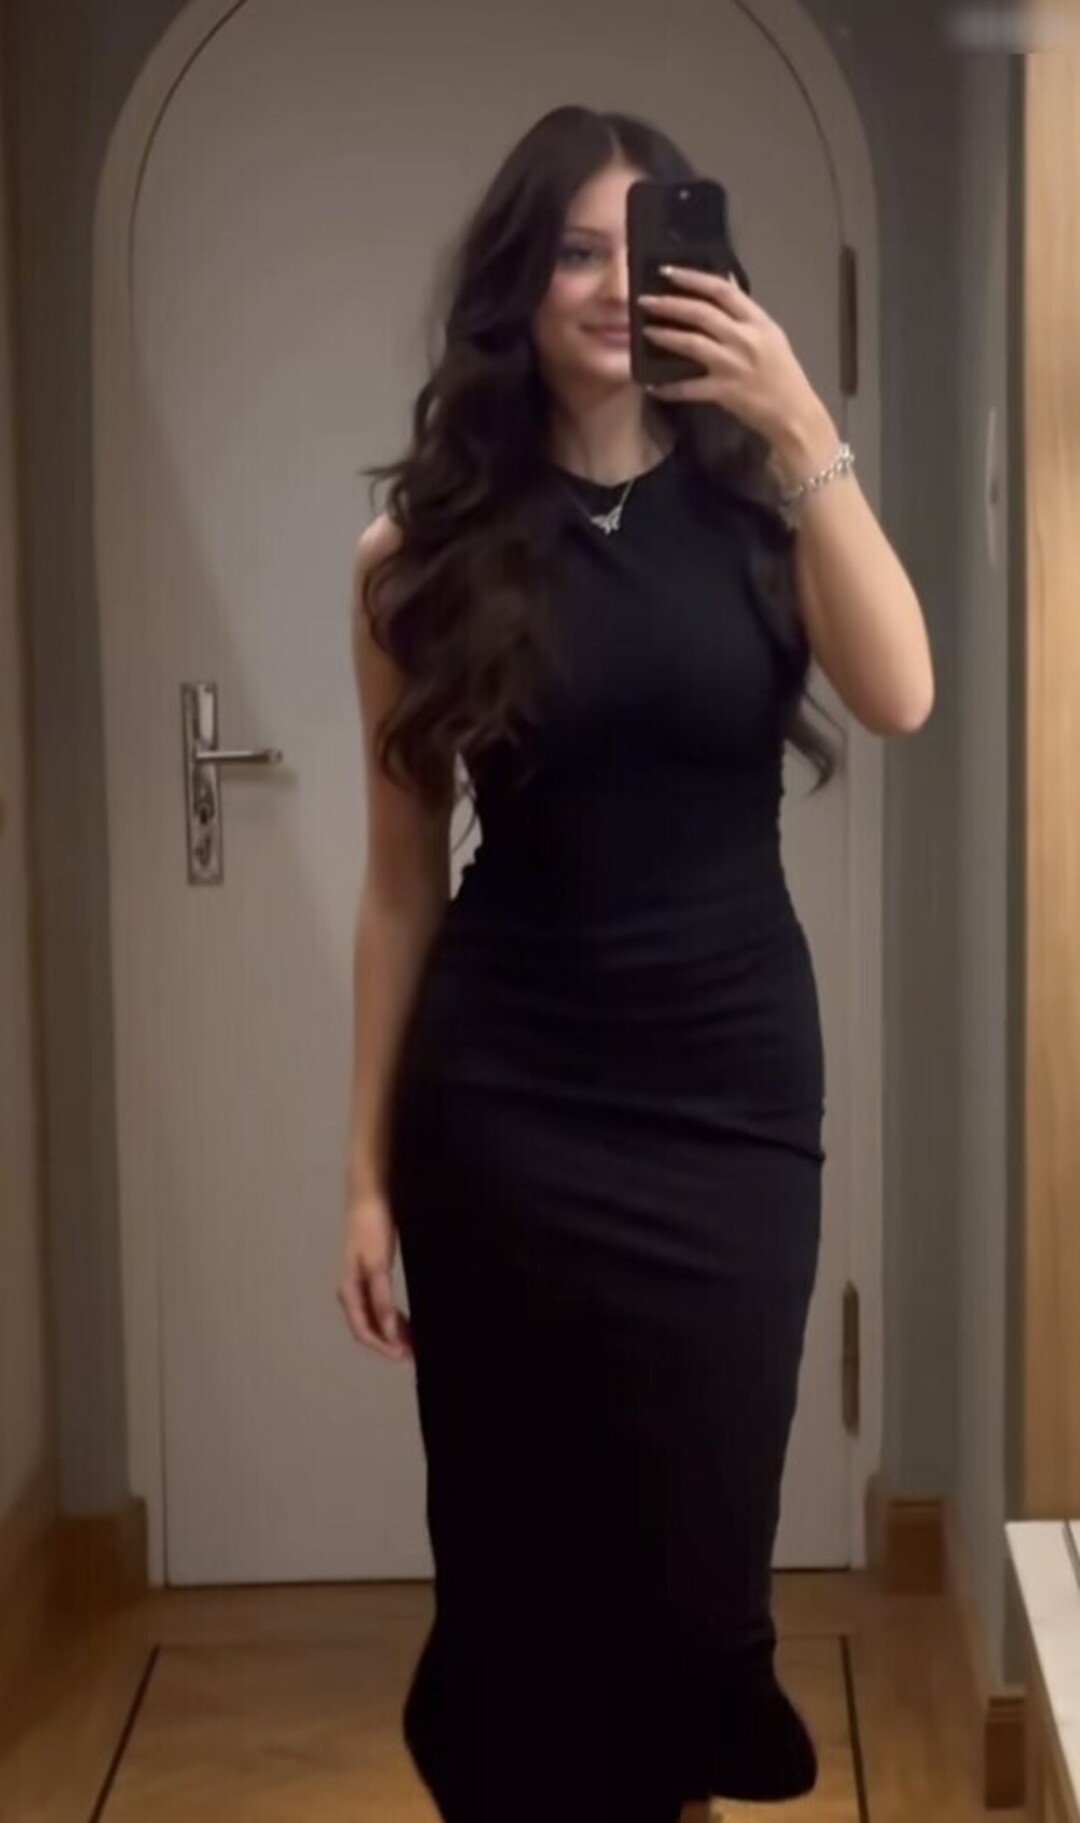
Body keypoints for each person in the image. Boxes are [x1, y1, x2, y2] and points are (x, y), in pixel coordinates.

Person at [338, 104, 933, 1823]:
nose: (612, 285)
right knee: (520, 1565)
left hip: (728, 1107)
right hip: (503, 1112)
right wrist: (364, 1180)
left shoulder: (765, 509)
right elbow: (398, 890)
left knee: (694, 1582)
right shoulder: (415, 558)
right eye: (575, 251)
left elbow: (901, 694)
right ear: (515, 285)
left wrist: (802, 423)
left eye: (641, 248)